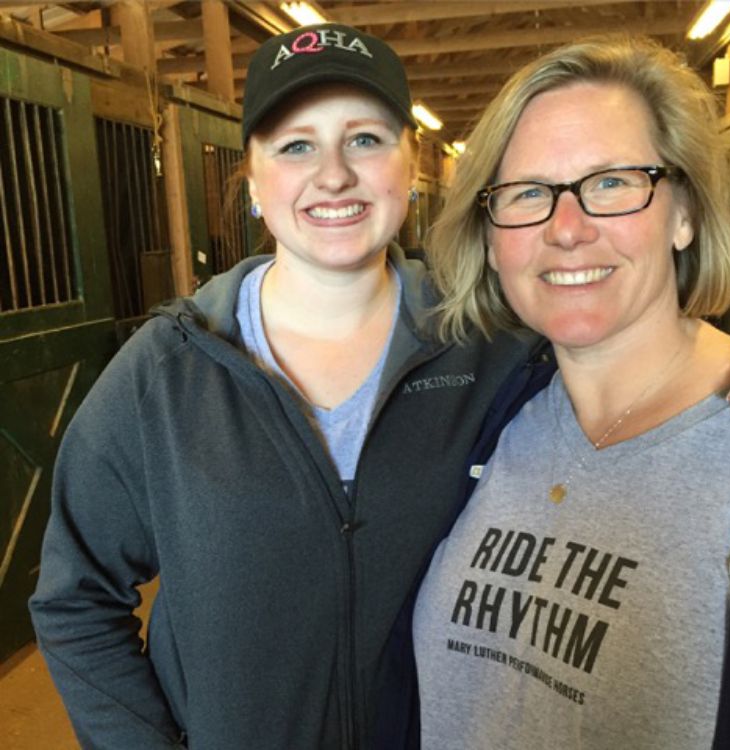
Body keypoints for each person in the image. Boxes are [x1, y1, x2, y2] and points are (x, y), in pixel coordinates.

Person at [27, 23, 547, 750]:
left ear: (411, 163)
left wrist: (722, 375)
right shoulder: (170, 368)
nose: (332, 174)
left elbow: (631, 392)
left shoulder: (499, 353)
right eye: (295, 145)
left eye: (364, 139)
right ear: (253, 179)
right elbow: (75, 598)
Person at [412, 35, 730, 750]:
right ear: (492, 235)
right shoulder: (491, 410)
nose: (567, 230)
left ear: (684, 213)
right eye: (528, 193)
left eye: (612, 182)